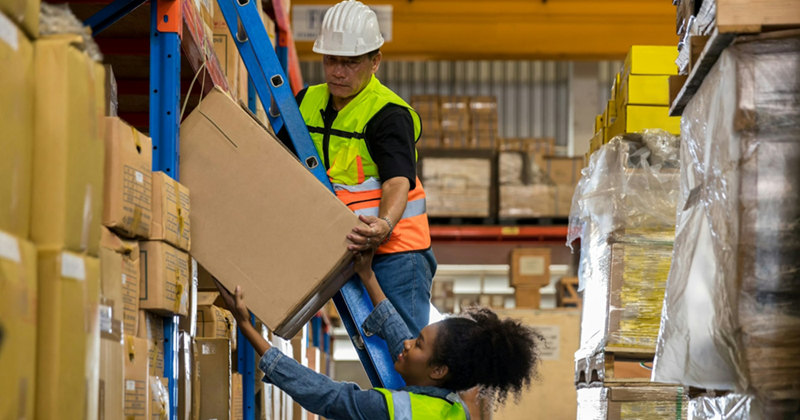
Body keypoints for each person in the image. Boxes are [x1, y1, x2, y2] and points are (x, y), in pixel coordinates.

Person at [214, 250, 544, 420]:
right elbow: (400, 336)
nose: (407, 344)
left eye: (419, 344)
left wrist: (246, 327)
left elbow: (328, 396)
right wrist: (367, 276)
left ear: (438, 371)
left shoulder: (397, 410)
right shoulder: (450, 406)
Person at [276, 0, 434, 336]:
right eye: (331, 60)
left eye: (350, 63)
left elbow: (396, 183)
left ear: (375, 61)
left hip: (396, 253)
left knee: (409, 350)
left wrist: (385, 223)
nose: (337, 72)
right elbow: (276, 162)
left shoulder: (389, 114)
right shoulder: (306, 101)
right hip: (343, 245)